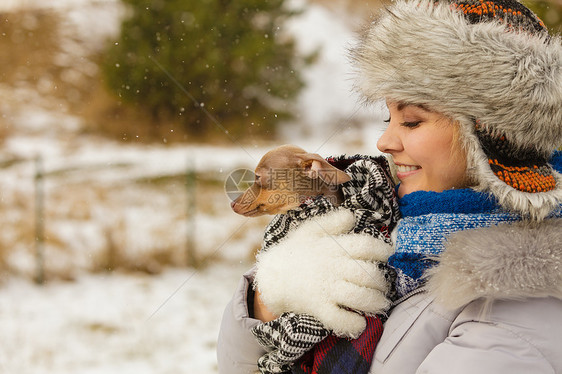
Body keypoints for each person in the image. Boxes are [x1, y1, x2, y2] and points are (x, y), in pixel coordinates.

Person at [217, 0, 562, 372]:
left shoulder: (513, 313)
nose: (384, 142)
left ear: (495, 134)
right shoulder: (393, 240)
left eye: (412, 121)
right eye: (388, 117)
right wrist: (267, 301)